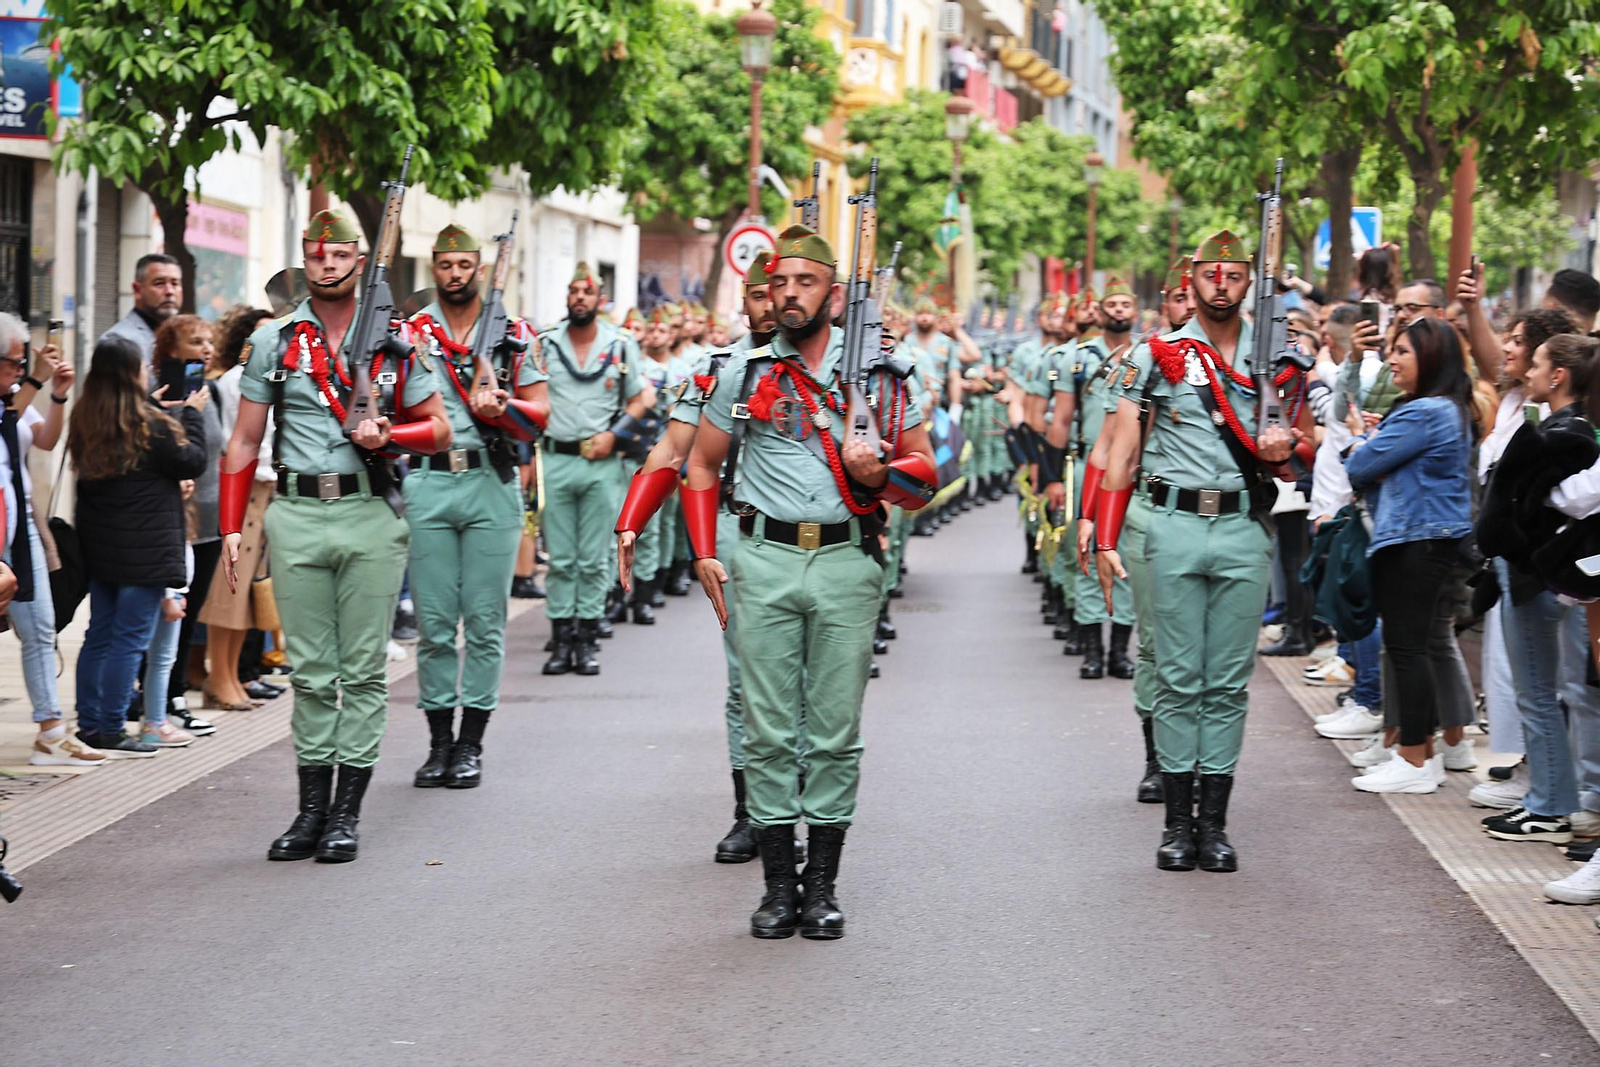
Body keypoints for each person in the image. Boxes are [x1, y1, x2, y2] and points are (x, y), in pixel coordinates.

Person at [681, 223, 937, 940]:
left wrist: (878, 474)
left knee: (832, 731)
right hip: (761, 560)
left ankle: (819, 884)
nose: (788, 295)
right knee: (766, 728)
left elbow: (926, 475)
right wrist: (705, 550)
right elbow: (700, 464)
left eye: (805, 282)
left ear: (834, 292)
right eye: (779, 284)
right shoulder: (745, 370)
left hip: (846, 562)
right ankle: (775, 887)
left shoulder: (885, 375)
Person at [219, 207, 451, 864]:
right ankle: (310, 811)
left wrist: (390, 434)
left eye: (338, 252)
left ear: (357, 257)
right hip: (296, 513)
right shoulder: (275, 340)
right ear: (304, 257)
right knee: (313, 674)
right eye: (315, 253)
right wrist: (231, 526)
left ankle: (345, 815)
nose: (326, 262)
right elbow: (242, 440)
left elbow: (438, 428)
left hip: (368, 513)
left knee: (363, 672)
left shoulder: (397, 340)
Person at [1093, 231, 1308, 873]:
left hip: (1243, 527)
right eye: (1209, 273)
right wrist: (1105, 535)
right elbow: (1123, 454)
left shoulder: (1280, 359)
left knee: (1228, 683)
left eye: (1233, 273)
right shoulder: (1156, 357)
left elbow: (1310, 451)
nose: (1221, 282)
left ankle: (1213, 825)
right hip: (1172, 523)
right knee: (1179, 677)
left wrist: (1285, 452)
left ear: (1249, 283)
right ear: (1191, 283)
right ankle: (1176, 826)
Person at [616, 250, 782, 863]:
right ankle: (753, 812)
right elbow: (671, 454)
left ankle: (806, 807)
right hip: (742, 536)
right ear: (744, 301)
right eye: (762, 292)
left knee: (804, 686)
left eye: (789, 288)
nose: (776, 303)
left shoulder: (838, 366)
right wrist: (631, 521)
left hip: (819, 539)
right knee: (745, 683)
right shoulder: (721, 370)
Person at [402, 223, 548, 790]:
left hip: (491, 481)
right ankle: (438, 743)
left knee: (484, 622)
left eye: (466, 265)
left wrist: (504, 405)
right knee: (436, 623)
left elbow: (542, 415)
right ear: (433, 269)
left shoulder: (513, 334)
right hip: (431, 482)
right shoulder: (411, 334)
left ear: (480, 270)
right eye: (446, 266)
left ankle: (471, 745)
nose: (456, 275)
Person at [1076, 258, 1194, 802]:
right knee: (1155, 648)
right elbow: (1107, 451)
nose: (1190, 306)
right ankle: (1159, 759)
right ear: (1166, 303)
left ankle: (1202, 763)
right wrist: (1092, 520)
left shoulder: (1246, 362)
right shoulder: (1141, 362)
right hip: (1152, 511)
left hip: (1222, 518)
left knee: (1209, 658)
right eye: (1181, 297)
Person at [1476, 335, 1600, 850]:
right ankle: (1566, 802)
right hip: (1547, 575)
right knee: (1565, 693)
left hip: (1539, 575)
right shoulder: (1559, 429)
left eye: (1537, 360)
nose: (1525, 366)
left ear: (1559, 376)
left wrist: (1517, 510)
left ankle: (1556, 804)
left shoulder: (1564, 434)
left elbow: (1562, 500)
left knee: (1550, 693)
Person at [1344, 319, 1476, 795]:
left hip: (1413, 541)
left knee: (1408, 650)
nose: (1393, 359)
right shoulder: (1447, 410)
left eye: (1403, 351)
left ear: (1432, 357)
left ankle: (1416, 759)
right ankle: (1417, 755)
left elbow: (1359, 466)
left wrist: (1361, 440)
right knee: (1411, 649)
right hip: (1426, 540)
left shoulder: (1424, 412)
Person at [69, 335, 209, 757]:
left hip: (103, 547)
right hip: (146, 549)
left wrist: (157, 407)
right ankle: (112, 727)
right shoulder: (150, 423)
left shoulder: (87, 417)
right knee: (130, 641)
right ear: (133, 373)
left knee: (100, 635)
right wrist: (192, 416)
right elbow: (193, 459)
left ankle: (90, 722)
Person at [1, 317, 101, 768]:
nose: (20, 369)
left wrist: (57, 393)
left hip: (20, 525)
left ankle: (51, 732)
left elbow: (44, 439)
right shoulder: (12, 399)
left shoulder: (15, 395)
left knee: (40, 626)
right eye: (14, 362)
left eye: (23, 362)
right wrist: (38, 380)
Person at [538, 263, 645, 676]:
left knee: (594, 558)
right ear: (567, 298)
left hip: (600, 462)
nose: (579, 297)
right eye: (573, 291)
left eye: (587, 291)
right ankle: (561, 640)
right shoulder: (546, 344)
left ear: (600, 300)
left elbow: (640, 399)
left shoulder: (619, 346)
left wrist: (614, 436)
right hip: (557, 459)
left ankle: (585, 640)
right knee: (562, 559)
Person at [1044, 278, 1138, 679]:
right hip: (1088, 465)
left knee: (1127, 555)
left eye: (1125, 304)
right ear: (1100, 312)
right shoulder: (1079, 359)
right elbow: (1061, 420)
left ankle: (1119, 651)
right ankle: (1092, 651)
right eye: (1111, 304)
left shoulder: (1148, 355)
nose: (1118, 310)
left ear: (1135, 311)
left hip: (1132, 470)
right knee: (1084, 552)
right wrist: (1052, 477)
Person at [148, 314, 230, 724]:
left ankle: (171, 696)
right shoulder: (161, 393)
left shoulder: (209, 391)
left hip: (212, 519)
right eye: (196, 341)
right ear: (171, 349)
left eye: (209, 341)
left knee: (191, 611)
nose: (206, 348)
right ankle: (164, 699)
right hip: (175, 519)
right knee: (170, 612)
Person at [199, 306, 280, 716]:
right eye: (262, 335)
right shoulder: (238, 380)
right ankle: (219, 678)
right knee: (229, 591)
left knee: (247, 593)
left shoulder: (269, 378)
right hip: (245, 489)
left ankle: (230, 675)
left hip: (265, 489)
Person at [98, 253, 182, 363]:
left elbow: (193, 378)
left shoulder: (187, 338)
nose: (170, 291)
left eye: (175, 284)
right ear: (137, 290)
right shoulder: (119, 341)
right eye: (159, 284)